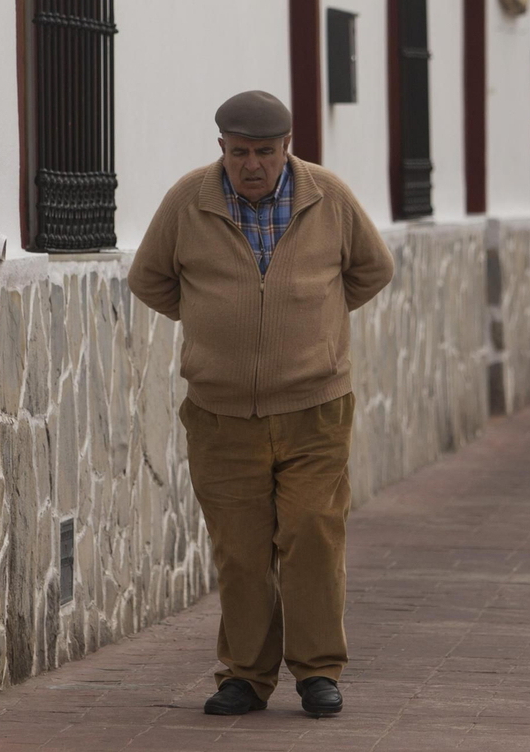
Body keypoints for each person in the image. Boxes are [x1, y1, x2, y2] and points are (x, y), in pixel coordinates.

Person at [127, 90, 394, 719]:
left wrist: (314, 325)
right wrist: (213, 325)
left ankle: (318, 672)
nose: (252, 164)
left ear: (287, 147)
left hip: (315, 408)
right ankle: (245, 678)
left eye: (265, 152)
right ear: (221, 147)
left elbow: (371, 270)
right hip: (220, 416)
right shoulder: (189, 201)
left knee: (312, 534)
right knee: (241, 551)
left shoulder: (326, 197)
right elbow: (149, 279)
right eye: (240, 151)